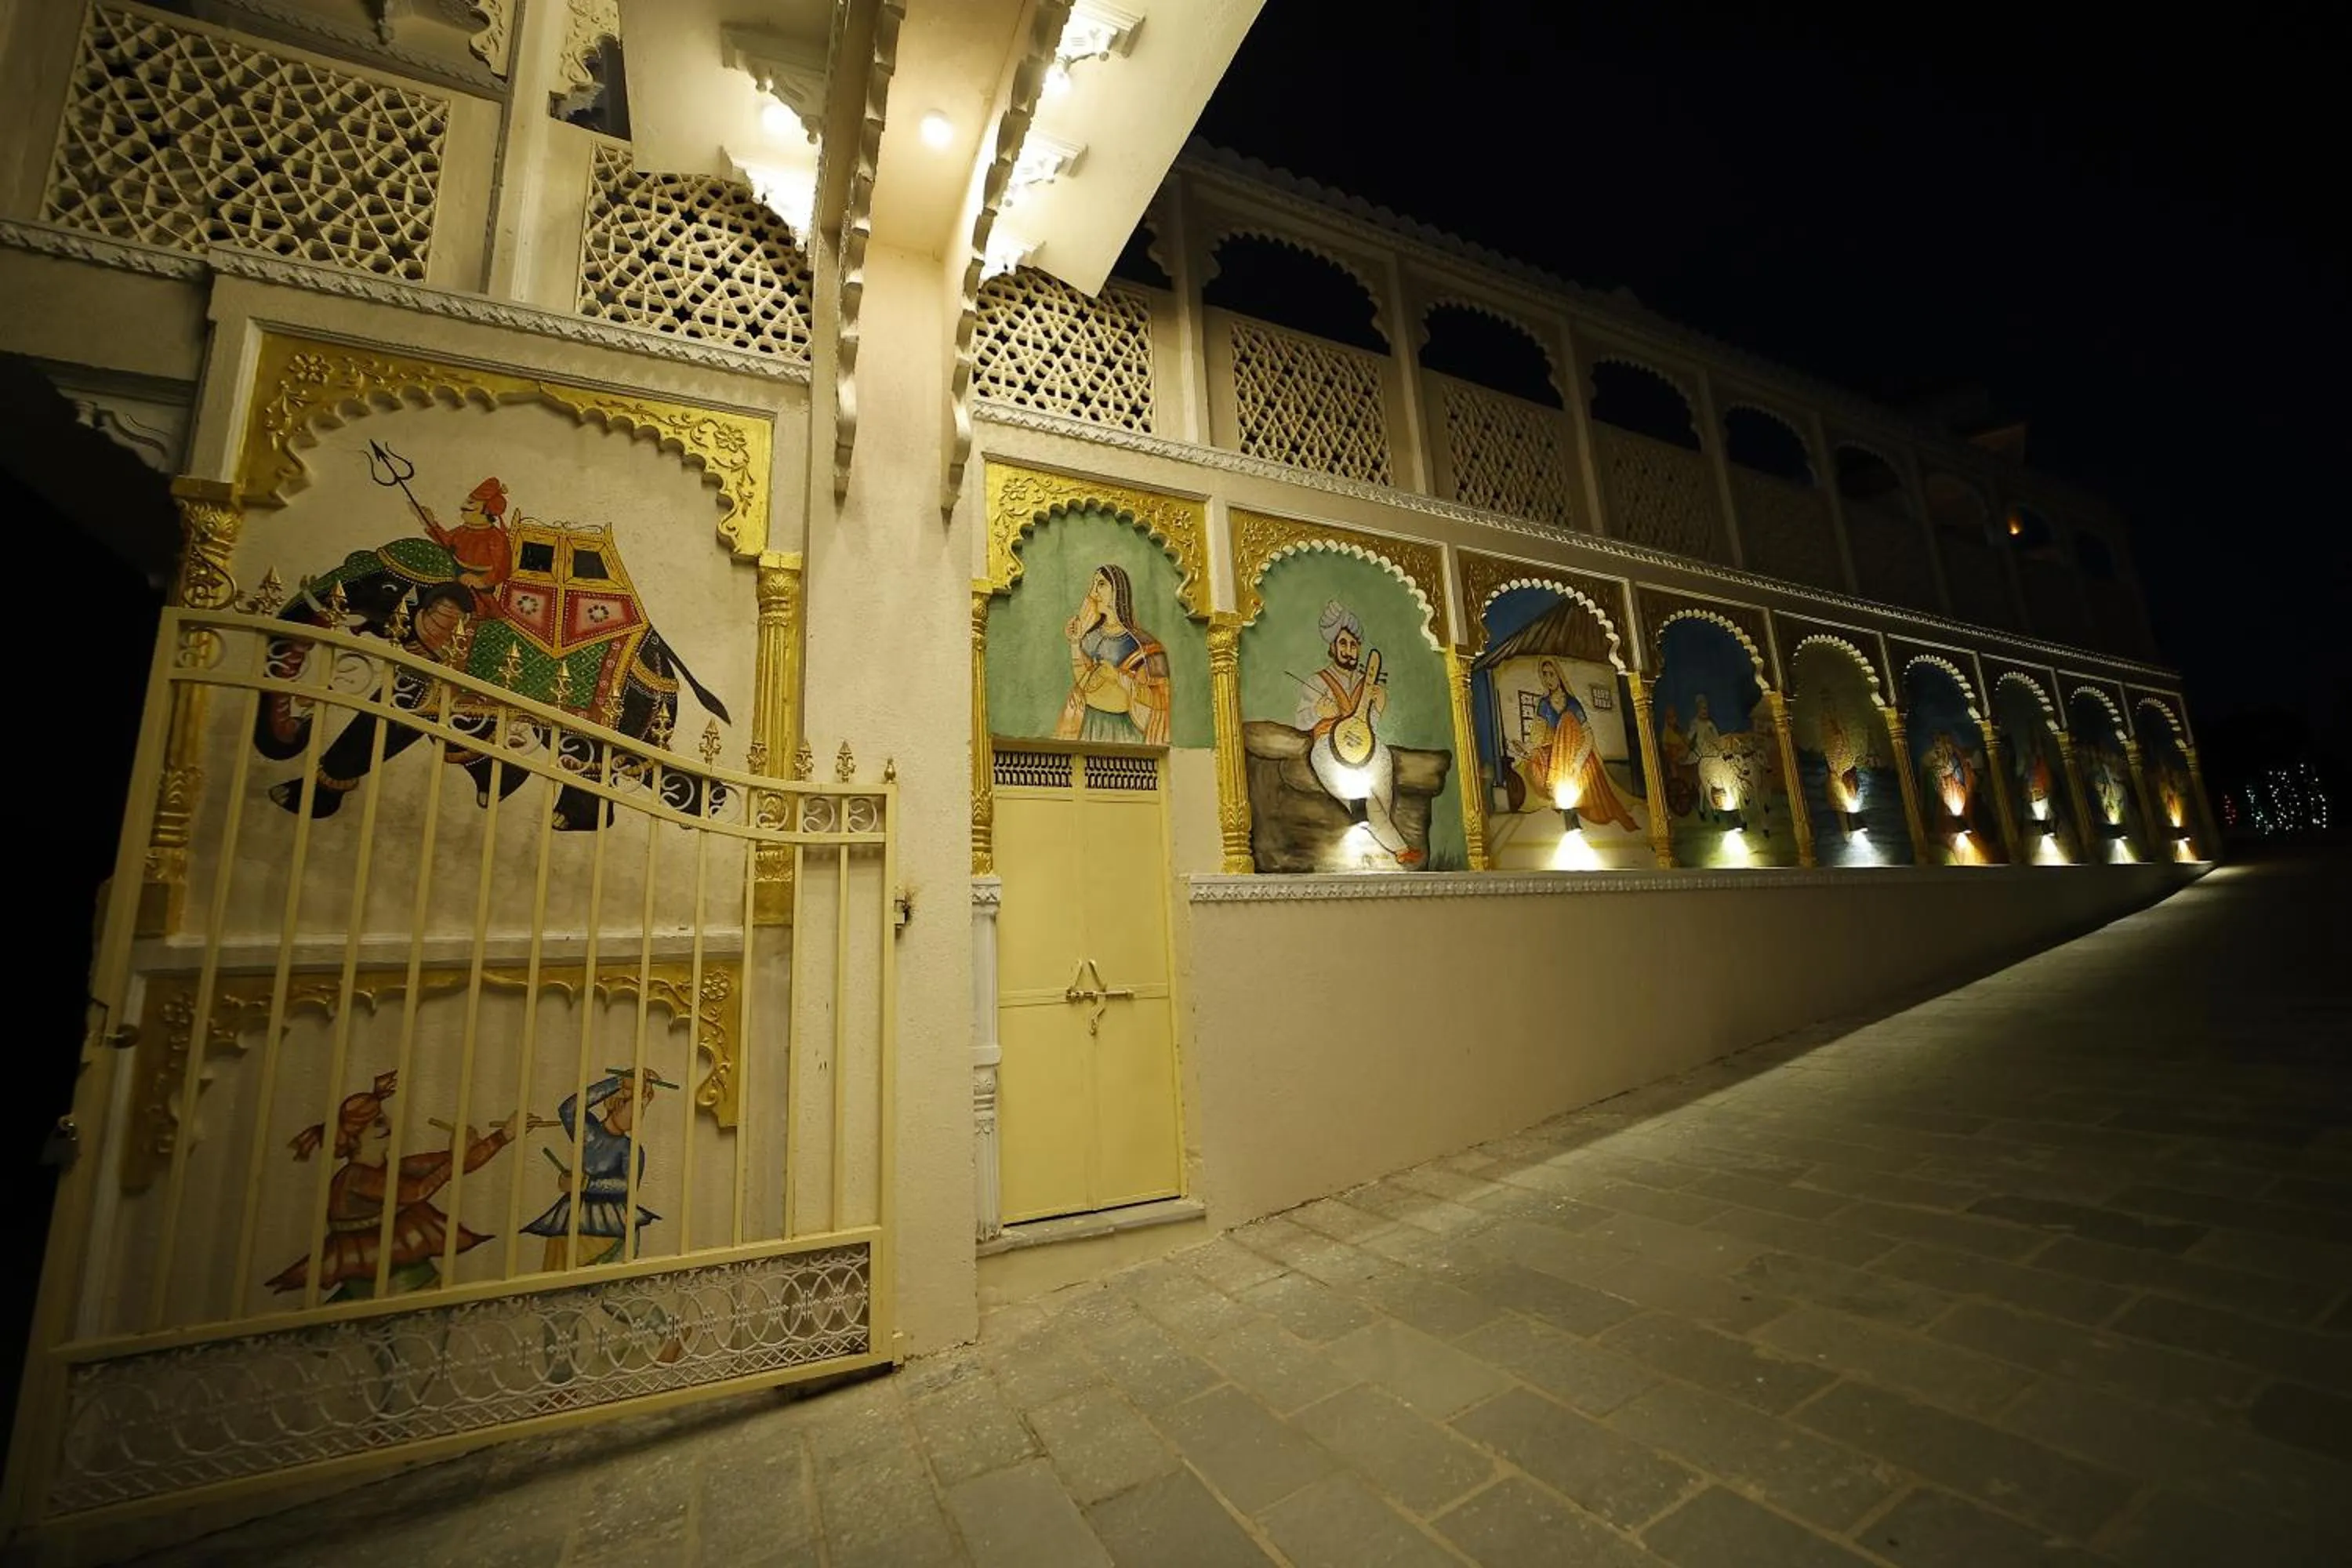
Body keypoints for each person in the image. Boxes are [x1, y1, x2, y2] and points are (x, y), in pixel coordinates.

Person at [265, 1071, 518, 1301]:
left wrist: (503, 1136)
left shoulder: (389, 1168)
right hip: (377, 1272)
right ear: (355, 1138)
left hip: (402, 1268)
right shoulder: (354, 1178)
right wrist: (456, 1157)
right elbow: (417, 1192)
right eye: (377, 1123)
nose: (388, 1124)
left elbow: (456, 1165)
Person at [1295, 601, 1421, 867]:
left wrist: (1380, 706)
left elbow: (1368, 726)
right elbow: (1301, 721)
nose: (1348, 651)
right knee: (1355, 785)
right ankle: (1398, 847)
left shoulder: (1366, 685)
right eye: (1343, 644)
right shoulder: (1317, 681)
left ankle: (1376, 829)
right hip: (1328, 747)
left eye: (1353, 646)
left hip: (1363, 747)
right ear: (1332, 647)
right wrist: (1318, 710)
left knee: (1383, 758)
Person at [522, 1066, 675, 1269]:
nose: (639, 1116)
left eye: (643, 1109)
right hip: (574, 1218)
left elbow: (626, 1186)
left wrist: (586, 1183)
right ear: (618, 1104)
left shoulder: (631, 1150)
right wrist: (619, 1082)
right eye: (636, 1107)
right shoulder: (589, 1133)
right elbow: (569, 1109)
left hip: (611, 1224)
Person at [1513, 660, 1637, 831]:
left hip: (1574, 750)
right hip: (1556, 751)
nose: (1549, 679)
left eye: (1552, 674)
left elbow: (1588, 735)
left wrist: (1578, 762)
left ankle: (1570, 811)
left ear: (1559, 676)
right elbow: (1537, 736)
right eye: (1545, 674)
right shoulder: (1544, 704)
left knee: (1567, 720)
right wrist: (1525, 747)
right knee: (1535, 758)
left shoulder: (1572, 703)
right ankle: (1562, 804)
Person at [1055, 564, 1171, 744]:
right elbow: (1083, 683)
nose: (1094, 593)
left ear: (1117, 590)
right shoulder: (1090, 639)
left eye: (1101, 584)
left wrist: (1119, 678)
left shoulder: (1144, 646)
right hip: (1090, 725)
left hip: (1125, 731)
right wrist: (1075, 643)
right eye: (1093, 586)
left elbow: (1157, 699)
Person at [417, 476, 514, 617]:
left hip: (478, 588)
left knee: (481, 613)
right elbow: (445, 540)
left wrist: (481, 581)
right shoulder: (463, 530)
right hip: (455, 576)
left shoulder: (497, 538)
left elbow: (502, 569)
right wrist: (430, 523)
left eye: (470, 502)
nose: (463, 506)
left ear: (487, 511)